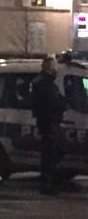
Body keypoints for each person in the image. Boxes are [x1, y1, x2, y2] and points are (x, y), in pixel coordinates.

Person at [32, 57, 68, 195]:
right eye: (55, 66)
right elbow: (54, 102)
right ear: (49, 68)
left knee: (53, 151)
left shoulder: (43, 82)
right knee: (50, 153)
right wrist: (63, 105)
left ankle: (48, 178)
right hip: (49, 122)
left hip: (47, 122)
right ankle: (47, 182)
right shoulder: (45, 84)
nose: (57, 69)